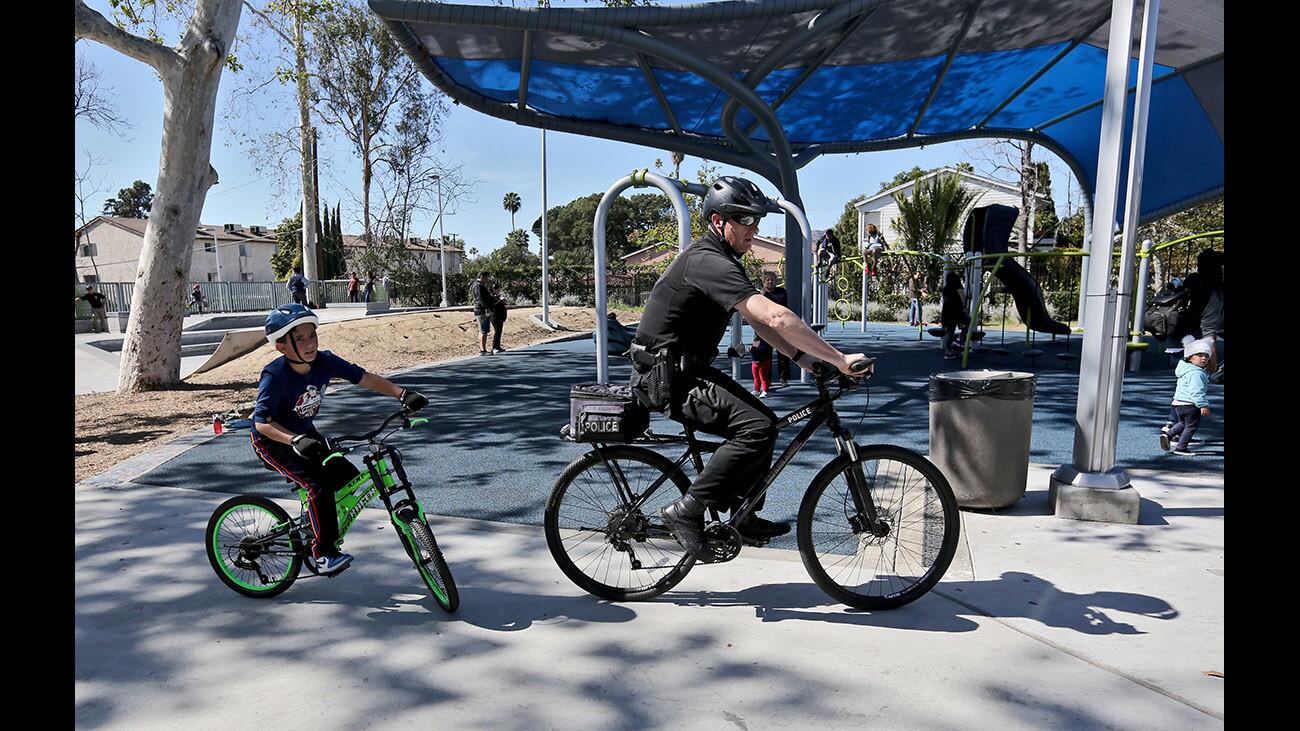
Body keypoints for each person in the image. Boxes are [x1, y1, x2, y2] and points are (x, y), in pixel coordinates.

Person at [629, 175, 871, 556]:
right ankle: (686, 511)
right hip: (665, 378)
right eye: (744, 219)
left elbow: (759, 322)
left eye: (755, 220)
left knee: (766, 425)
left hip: (683, 370)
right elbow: (775, 317)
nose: (754, 228)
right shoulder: (707, 261)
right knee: (756, 428)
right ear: (718, 222)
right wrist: (838, 359)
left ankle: (742, 515)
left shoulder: (721, 260)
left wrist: (803, 358)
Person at [250, 303, 427, 574]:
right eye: (299, 339)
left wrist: (402, 394)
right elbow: (262, 423)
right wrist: (294, 441)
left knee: (346, 476)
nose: (310, 344)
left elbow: (364, 377)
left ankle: (316, 522)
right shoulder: (275, 376)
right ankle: (323, 552)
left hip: (305, 434)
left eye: (312, 335)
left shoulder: (325, 361)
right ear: (281, 347)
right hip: (274, 441)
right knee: (317, 487)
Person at [1159, 338, 1212, 456]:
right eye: (1199, 355)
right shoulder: (1196, 373)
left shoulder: (1185, 368)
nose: (1203, 358)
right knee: (1191, 426)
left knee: (1183, 423)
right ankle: (1181, 448)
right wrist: (1203, 405)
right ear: (1189, 357)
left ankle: (1168, 435)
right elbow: (1196, 391)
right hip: (1190, 404)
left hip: (1178, 403)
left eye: (1206, 356)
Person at [760, 272, 791, 386]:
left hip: (779, 326)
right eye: (768, 280)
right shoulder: (760, 295)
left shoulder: (781, 292)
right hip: (766, 327)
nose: (770, 281)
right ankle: (766, 380)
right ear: (763, 282)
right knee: (765, 355)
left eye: (773, 279)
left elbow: (781, 306)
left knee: (783, 353)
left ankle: (783, 378)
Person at [939, 270, 968, 359]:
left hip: (947, 310)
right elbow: (962, 296)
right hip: (956, 310)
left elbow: (945, 299)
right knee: (969, 322)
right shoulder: (958, 286)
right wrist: (964, 306)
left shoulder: (946, 288)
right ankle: (959, 340)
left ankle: (948, 351)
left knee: (950, 331)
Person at [471, 271, 498, 355]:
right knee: (483, 330)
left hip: (481, 310)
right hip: (482, 311)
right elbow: (481, 299)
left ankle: (483, 349)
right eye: (486, 278)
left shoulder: (477, 285)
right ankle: (482, 350)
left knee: (484, 330)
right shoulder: (478, 286)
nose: (487, 280)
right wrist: (486, 309)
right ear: (482, 276)